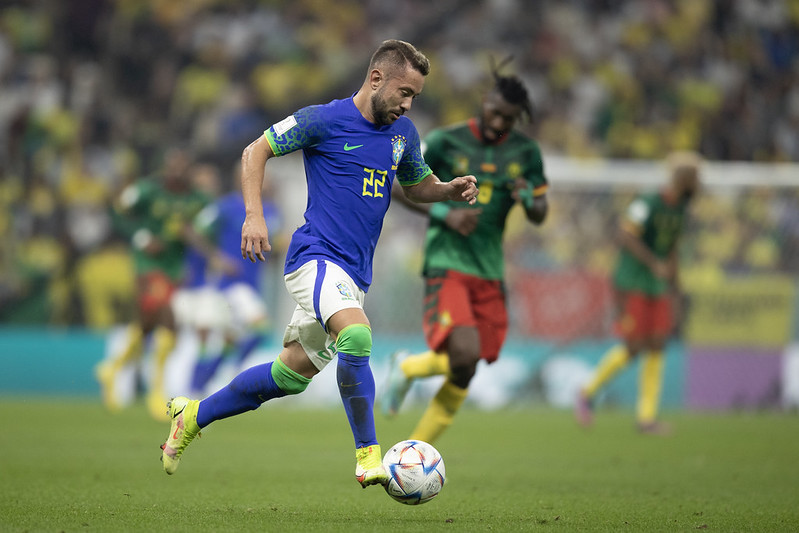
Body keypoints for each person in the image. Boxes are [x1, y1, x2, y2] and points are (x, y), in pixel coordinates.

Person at [159, 40, 479, 488]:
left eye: (415, 97)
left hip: (354, 274)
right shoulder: (323, 120)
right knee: (357, 334)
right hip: (315, 258)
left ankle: (192, 416)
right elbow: (256, 151)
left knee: (287, 376)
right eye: (404, 92)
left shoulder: (403, 135)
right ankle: (368, 456)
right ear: (376, 79)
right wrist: (254, 215)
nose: (408, 104)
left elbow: (416, 184)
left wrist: (447, 189)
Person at [380, 60, 549, 445]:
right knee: (464, 354)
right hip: (448, 261)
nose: (498, 123)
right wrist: (446, 213)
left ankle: (409, 385)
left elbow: (540, 212)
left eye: (508, 119)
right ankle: (413, 449)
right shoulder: (445, 141)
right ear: (483, 102)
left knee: (466, 368)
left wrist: (529, 198)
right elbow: (397, 186)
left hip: (488, 268)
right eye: (494, 113)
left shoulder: (526, 153)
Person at [575, 151, 701, 434]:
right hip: (633, 281)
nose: (699, 184)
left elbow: (672, 250)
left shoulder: (680, 208)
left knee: (658, 343)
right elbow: (625, 234)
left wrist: (675, 289)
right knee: (634, 347)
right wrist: (653, 263)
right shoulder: (649, 201)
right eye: (696, 178)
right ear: (683, 179)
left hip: (657, 285)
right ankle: (586, 391)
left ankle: (647, 418)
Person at [96, 147, 211, 421]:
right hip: (148, 265)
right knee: (166, 316)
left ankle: (113, 368)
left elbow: (201, 232)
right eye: (172, 165)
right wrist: (140, 236)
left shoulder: (198, 200)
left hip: (173, 268)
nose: (176, 171)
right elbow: (117, 210)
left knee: (151, 323)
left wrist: (194, 261)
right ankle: (156, 391)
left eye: (182, 166)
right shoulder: (147, 191)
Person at [185, 163, 282, 396]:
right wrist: (215, 257)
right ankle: (234, 373)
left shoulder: (271, 210)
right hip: (231, 285)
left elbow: (273, 246)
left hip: (254, 284)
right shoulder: (226, 206)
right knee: (260, 328)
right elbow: (193, 230)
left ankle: (197, 386)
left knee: (227, 340)